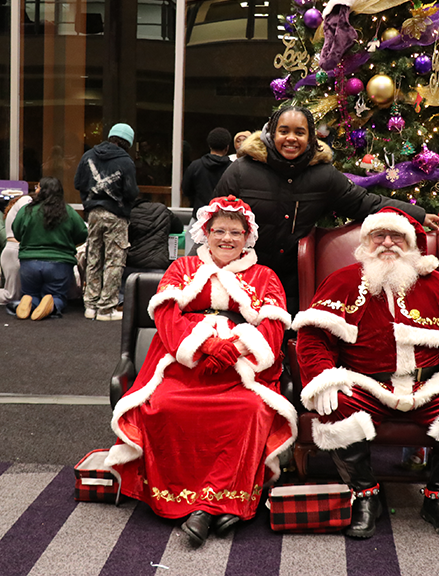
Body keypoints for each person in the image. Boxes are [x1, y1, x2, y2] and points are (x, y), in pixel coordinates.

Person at [293, 207, 439, 540]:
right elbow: (313, 339)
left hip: (427, 384)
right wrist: (323, 376)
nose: (388, 243)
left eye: (397, 236)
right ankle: (365, 496)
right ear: (366, 243)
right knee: (335, 402)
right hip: (366, 384)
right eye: (379, 236)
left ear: (411, 242)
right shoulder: (342, 282)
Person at [105, 195, 296, 548]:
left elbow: (273, 327)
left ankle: (206, 510)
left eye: (235, 232)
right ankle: (220, 509)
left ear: (247, 236)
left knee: (250, 410)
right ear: (205, 233)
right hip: (183, 365)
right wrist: (204, 346)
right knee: (162, 407)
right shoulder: (181, 269)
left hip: (241, 371)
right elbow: (165, 316)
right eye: (219, 231)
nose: (227, 239)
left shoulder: (265, 275)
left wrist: (236, 348)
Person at [214, 106, 439, 310]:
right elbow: (213, 220)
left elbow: (365, 203)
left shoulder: (323, 176)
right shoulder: (241, 171)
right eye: (283, 131)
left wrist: (420, 214)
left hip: (293, 286)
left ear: (311, 138)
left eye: (300, 132)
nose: (291, 138)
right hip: (240, 278)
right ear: (271, 134)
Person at [74, 123, 139, 321]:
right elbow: (131, 192)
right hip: (116, 216)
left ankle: (90, 305)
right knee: (114, 261)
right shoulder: (125, 162)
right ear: (128, 141)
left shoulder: (88, 156)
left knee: (93, 256)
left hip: (93, 213)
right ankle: (106, 308)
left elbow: (78, 182)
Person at [12, 178, 87, 320]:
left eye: (38, 187)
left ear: (43, 191)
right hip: (59, 263)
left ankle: (29, 301)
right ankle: (51, 303)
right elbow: (82, 233)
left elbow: (16, 231)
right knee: (58, 295)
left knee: (31, 292)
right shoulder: (68, 211)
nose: (36, 190)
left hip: (29, 262)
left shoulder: (26, 210)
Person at [123, 197, 183, 277]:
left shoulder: (127, 213)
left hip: (132, 264)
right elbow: (179, 228)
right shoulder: (162, 209)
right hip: (158, 263)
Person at [182, 127, 232, 214]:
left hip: (200, 215)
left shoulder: (195, 166)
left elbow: (186, 190)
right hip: (224, 217)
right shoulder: (233, 168)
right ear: (227, 147)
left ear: (209, 146)